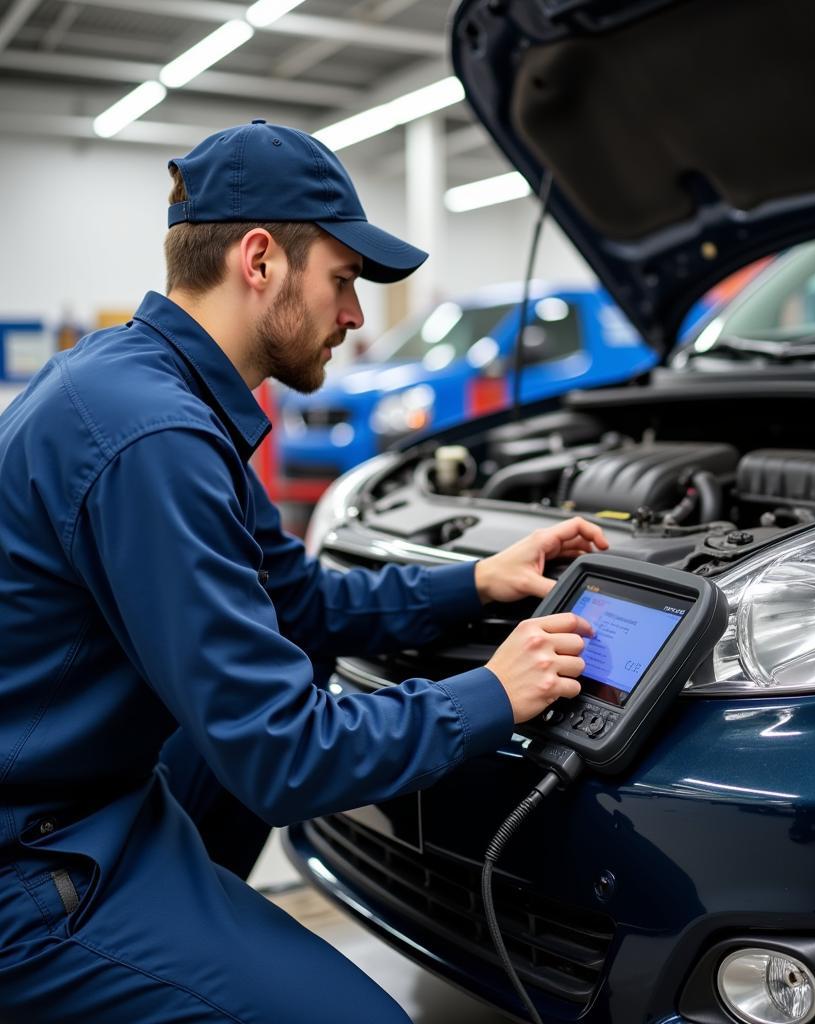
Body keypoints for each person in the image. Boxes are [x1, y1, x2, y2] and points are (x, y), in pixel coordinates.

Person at [0, 119, 608, 1023]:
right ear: (259, 260)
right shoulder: (155, 437)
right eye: (346, 280)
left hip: (85, 798)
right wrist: (492, 693)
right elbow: (281, 756)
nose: (357, 317)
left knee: (298, 658)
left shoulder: (150, 388)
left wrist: (475, 582)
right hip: (37, 863)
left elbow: (300, 605)